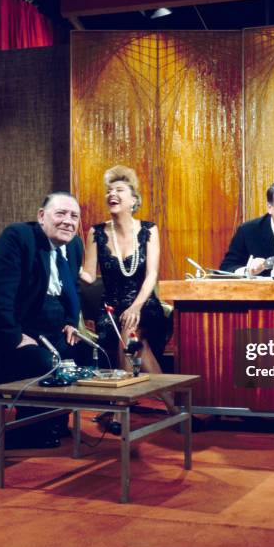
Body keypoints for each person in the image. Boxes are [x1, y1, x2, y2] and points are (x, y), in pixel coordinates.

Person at [0, 191, 93, 446]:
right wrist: (14, 336)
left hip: (42, 327)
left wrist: (72, 322)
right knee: (41, 360)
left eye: (74, 216)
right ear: (42, 216)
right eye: (60, 213)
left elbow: (72, 287)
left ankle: (55, 421)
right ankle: (30, 429)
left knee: (82, 352)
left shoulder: (73, 245)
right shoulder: (18, 237)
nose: (68, 221)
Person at [80, 165, 173, 419]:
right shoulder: (96, 233)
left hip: (144, 306)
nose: (113, 194)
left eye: (120, 189)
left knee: (129, 335)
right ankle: (174, 407)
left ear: (134, 199)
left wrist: (135, 307)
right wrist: (64, 260)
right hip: (109, 310)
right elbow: (88, 276)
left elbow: (152, 275)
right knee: (132, 342)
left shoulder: (148, 230)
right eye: (109, 190)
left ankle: (120, 411)